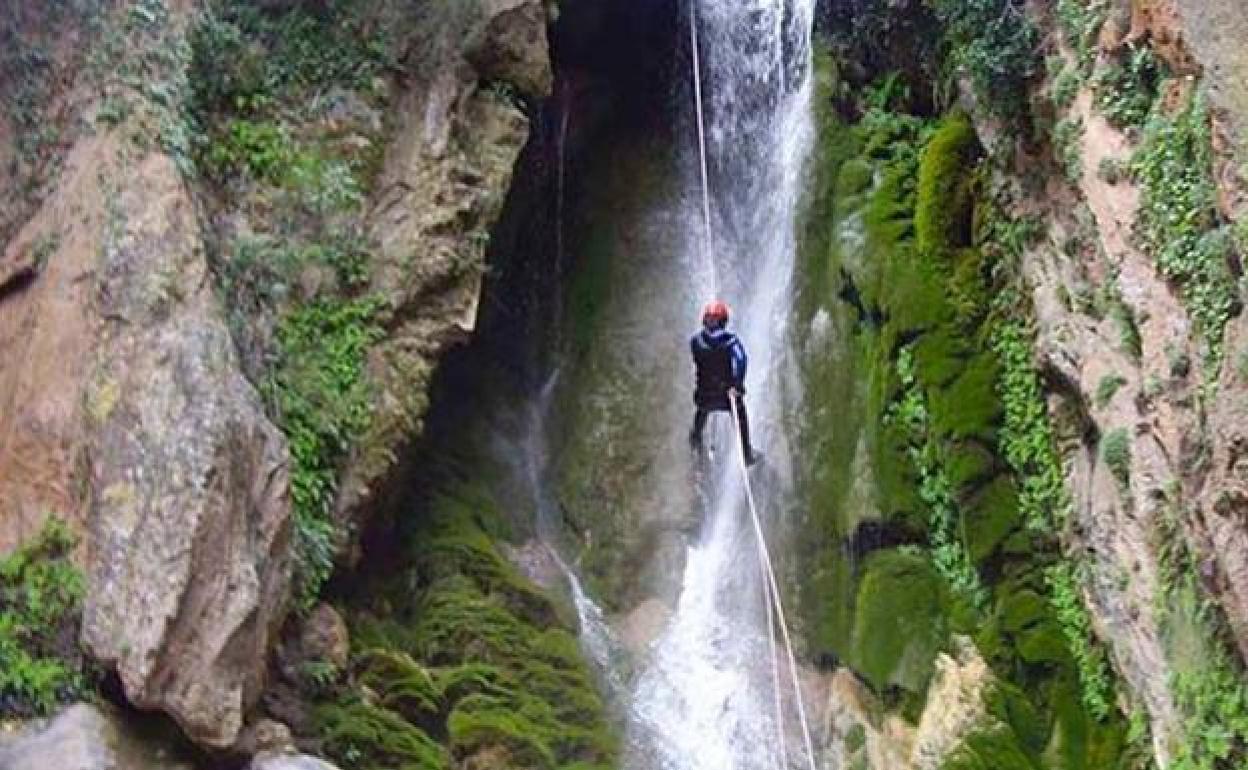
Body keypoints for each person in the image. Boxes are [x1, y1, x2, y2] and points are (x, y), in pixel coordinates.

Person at [689, 300, 759, 466]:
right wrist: (737, 385)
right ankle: (746, 454)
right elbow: (741, 360)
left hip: (704, 396)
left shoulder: (695, 342)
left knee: (701, 412)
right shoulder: (731, 342)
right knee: (740, 414)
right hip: (726, 396)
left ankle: (695, 437)